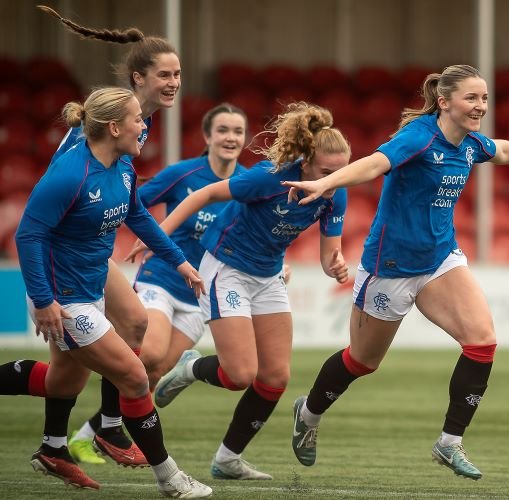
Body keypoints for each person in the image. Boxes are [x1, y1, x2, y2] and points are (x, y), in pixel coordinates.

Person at [280, 64, 509, 480]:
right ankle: (310, 412)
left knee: (482, 341)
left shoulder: (469, 143)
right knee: (362, 361)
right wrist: (326, 183)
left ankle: (450, 442)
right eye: (471, 98)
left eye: (484, 98)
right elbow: (375, 163)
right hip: (390, 267)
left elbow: (498, 149)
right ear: (444, 102)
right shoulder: (419, 136)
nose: (480, 105)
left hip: (440, 259)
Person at [0, 87, 211, 497]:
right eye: (137, 119)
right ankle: (169, 478)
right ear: (114, 127)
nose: (144, 127)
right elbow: (28, 236)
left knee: (63, 383)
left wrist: (179, 261)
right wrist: (45, 303)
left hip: (91, 288)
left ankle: (54, 448)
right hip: (65, 300)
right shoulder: (70, 175)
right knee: (134, 377)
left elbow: (137, 216)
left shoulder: (124, 165)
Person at [128, 102, 350, 481]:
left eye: (342, 173)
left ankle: (228, 459)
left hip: (267, 277)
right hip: (226, 270)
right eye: (327, 172)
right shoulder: (269, 177)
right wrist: (158, 237)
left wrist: (337, 265)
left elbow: (330, 255)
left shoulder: (334, 191)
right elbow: (200, 197)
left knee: (276, 377)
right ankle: (190, 368)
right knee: (240, 374)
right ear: (306, 163)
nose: (334, 181)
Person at [37, 4, 181, 468]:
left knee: (128, 329)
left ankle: (79, 438)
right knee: (70, 373)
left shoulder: (137, 118)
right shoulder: (109, 119)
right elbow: (66, 185)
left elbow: (128, 195)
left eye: (178, 73)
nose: (175, 81)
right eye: (165, 74)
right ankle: (91, 434)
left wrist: (167, 249)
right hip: (67, 252)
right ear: (137, 79)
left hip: (86, 250)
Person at [133, 103, 248, 391]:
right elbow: (131, 204)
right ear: (207, 137)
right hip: (161, 277)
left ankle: (97, 431)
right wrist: (149, 233)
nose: (230, 137)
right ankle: (102, 431)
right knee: (149, 355)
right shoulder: (183, 173)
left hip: (203, 293)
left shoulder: (250, 183)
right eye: (222, 130)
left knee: (156, 372)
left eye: (238, 131)